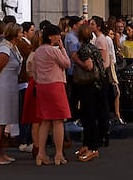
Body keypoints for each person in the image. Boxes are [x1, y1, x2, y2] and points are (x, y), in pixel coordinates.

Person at [24, 22, 71, 166]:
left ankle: (41, 153)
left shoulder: (38, 51)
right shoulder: (53, 50)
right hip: (55, 86)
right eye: (57, 35)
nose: (59, 37)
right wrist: (62, 48)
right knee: (58, 121)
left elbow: (34, 71)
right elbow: (66, 63)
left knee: (44, 120)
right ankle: (58, 154)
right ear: (50, 37)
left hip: (42, 86)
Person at [70, 21, 109, 161]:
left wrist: (76, 60)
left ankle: (92, 147)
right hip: (99, 84)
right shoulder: (93, 47)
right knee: (89, 115)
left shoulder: (84, 50)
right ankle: (87, 145)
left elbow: (89, 66)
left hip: (89, 86)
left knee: (88, 116)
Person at [0, 21, 23, 165]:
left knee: (5, 120)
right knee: (0, 120)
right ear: (14, 34)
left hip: (10, 86)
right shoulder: (4, 49)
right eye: (20, 32)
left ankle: (1, 152)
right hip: (2, 88)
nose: (22, 35)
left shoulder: (12, 47)